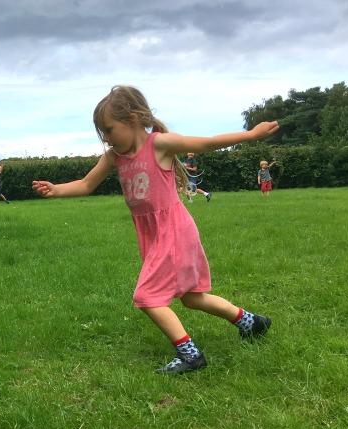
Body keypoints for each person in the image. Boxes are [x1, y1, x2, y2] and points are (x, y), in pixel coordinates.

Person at [32, 85, 279, 374]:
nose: (106, 138)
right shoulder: (114, 157)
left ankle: (190, 355)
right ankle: (252, 323)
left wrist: (250, 135)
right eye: (102, 133)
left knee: (147, 297)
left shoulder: (159, 145)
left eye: (109, 130)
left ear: (134, 119)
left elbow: (207, 143)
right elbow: (87, 184)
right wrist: (56, 189)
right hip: (153, 233)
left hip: (173, 230)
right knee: (190, 296)